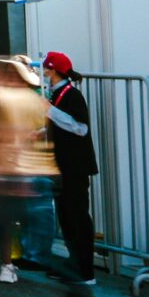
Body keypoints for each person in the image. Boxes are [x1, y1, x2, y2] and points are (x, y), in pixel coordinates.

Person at [0, 57, 89, 297]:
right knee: (5, 234)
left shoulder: (2, 100)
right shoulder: (34, 100)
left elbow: (2, 136)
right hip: (35, 175)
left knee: (35, 248)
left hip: (13, 176)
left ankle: (77, 286)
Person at [39, 50, 96, 282]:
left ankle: (85, 271)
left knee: (77, 216)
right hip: (62, 166)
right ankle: (74, 265)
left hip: (76, 167)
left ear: (52, 71)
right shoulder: (55, 95)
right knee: (66, 216)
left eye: (45, 69)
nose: (42, 73)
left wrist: (49, 111)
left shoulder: (71, 95)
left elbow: (80, 128)